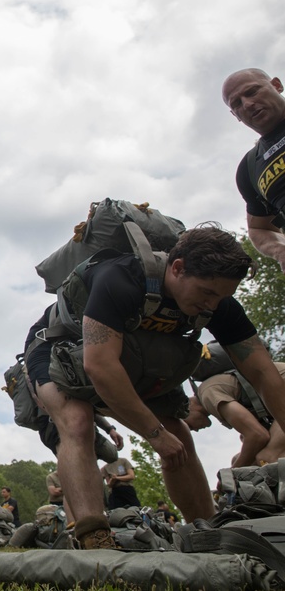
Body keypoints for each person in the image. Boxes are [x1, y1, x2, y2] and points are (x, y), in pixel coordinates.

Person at [23, 226, 285, 549]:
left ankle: (210, 532)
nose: (212, 306)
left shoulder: (216, 303)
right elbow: (100, 367)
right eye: (206, 293)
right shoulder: (120, 279)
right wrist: (155, 435)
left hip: (127, 359)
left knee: (179, 436)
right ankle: (95, 539)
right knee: (77, 421)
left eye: (221, 297)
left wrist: (165, 434)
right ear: (177, 269)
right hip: (56, 347)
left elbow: (263, 373)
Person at [223, 69, 285, 270]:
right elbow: (259, 227)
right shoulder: (249, 169)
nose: (248, 104)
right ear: (236, 116)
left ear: (277, 85)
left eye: (252, 92)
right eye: (237, 104)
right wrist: (279, 250)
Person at [184, 363, 285, 467]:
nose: (195, 430)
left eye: (189, 426)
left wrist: (232, 472)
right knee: (241, 461)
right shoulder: (211, 395)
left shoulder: (207, 393)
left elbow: (258, 435)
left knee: (267, 458)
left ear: (187, 407)